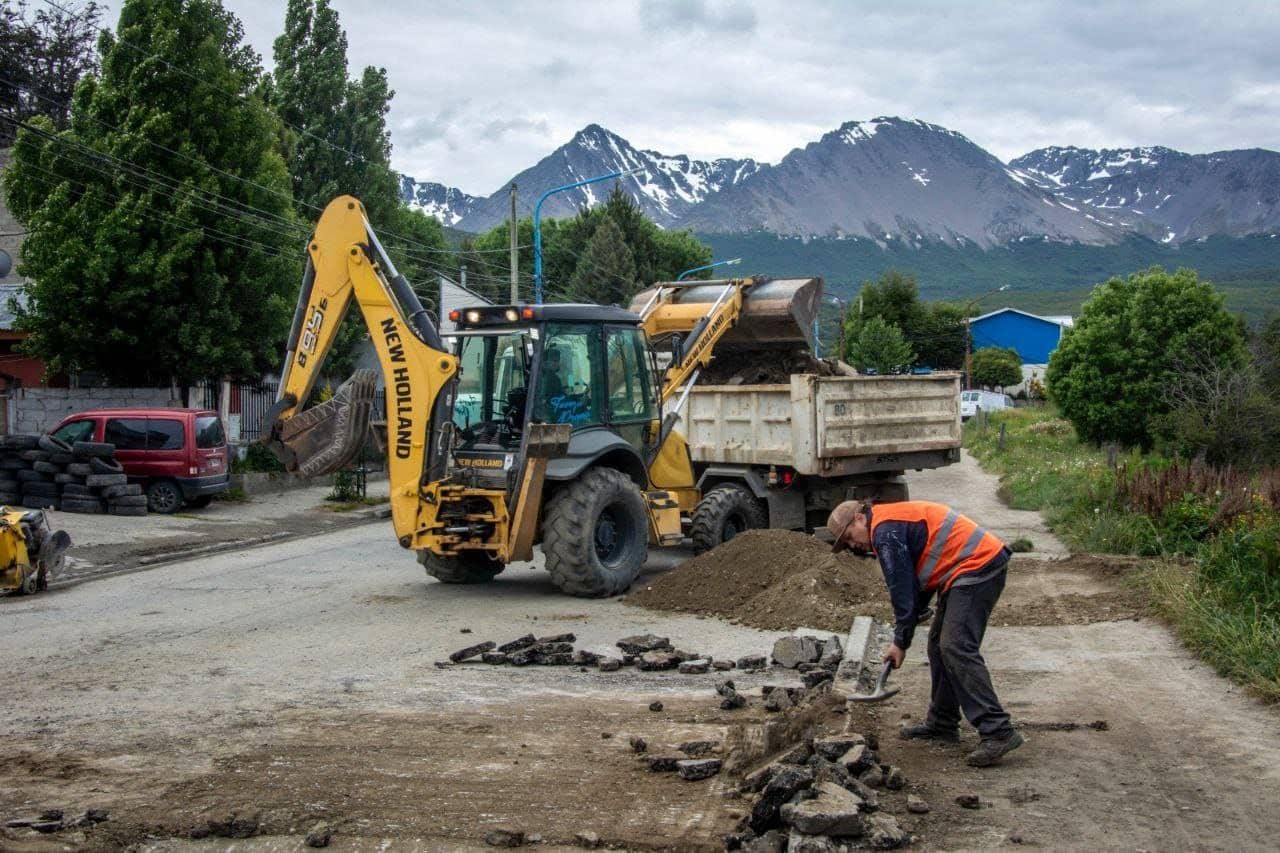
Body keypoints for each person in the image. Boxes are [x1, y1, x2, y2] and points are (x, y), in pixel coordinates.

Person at [826, 499, 1024, 767]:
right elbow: (919, 579)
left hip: (978, 564)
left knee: (955, 645)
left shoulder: (885, 532)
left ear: (860, 518)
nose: (853, 545)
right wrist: (909, 622)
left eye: (849, 537)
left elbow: (902, 592)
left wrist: (900, 642)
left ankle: (997, 730)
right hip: (965, 568)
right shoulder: (890, 523)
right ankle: (942, 723)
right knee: (938, 645)